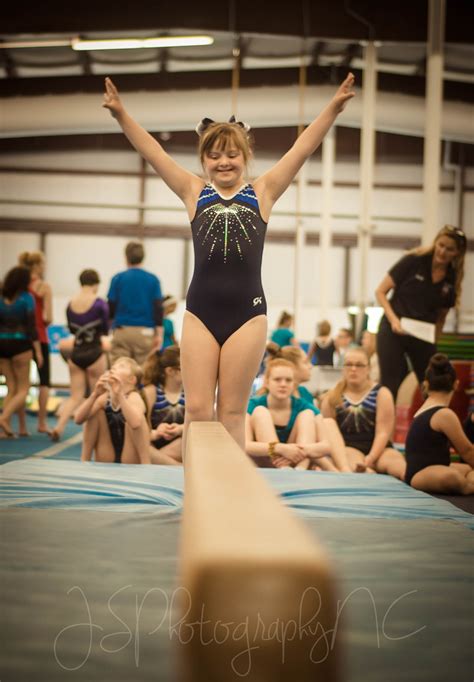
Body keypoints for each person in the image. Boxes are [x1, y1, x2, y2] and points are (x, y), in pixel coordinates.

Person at [103, 73, 355, 454]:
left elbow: (302, 149)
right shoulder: (193, 191)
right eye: (215, 155)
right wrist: (122, 115)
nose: (224, 162)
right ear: (203, 159)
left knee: (233, 413)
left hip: (248, 316)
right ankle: (195, 493)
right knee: (198, 410)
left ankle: (233, 495)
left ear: (245, 157)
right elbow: (154, 152)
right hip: (200, 313)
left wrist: (333, 108)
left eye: (232, 154)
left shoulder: (263, 192)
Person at [375, 225, 467, 400]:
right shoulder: (413, 260)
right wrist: (394, 320)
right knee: (390, 384)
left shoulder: (452, 277)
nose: (443, 251)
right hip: (394, 328)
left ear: (457, 253)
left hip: (422, 334)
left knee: (433, 385)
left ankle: (429, 423)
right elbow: (380, 292)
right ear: (435, 242)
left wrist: (435, 341)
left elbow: (441, 316)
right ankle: (384, 425)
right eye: (441, 245)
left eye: (449, 249)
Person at [321, 347, 406, 478]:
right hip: (349, 449)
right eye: (349, 364)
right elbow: (329, 436)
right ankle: (369, 477)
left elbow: (383, 432)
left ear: (368, 368)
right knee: (357, 467)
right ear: (343, 368)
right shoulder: (332, 397)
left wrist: (371, 458)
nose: (353, 369)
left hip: (380, 449)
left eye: (359, 365)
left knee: (399, 466)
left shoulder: (382, 394)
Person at [267, 343, 353, 471]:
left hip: (303, 450)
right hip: (278, 454)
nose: (311, 366)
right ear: (293, 367)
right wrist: (331, 469)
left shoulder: (304, 394)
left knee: (327, 423)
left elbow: (314, 438)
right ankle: (341, 473)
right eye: (306, 363)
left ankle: (345, 470)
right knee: (316, 420)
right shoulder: (268, 396)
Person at [246, 358, 337, 470]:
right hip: (266, 463)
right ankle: (284, 468)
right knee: (261, 412)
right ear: (267, 382)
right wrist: (280, 449)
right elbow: (245, 444)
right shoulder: (253, 404)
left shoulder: (304, 406)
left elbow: (326, 446)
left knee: (307, 415)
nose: (283, 384)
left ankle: (300, 470)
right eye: (277, 380)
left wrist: (298, 451)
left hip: (296, 462)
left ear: (294, 385)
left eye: (288, 380)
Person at [50, 269, 109, 441]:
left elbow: (71, 329)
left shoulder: (70, 304)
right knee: (96, 397)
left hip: (76, 354)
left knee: (75, 397)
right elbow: (105, 329)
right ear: (96, 284)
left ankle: (59, 427)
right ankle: (93, 434)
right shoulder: (99, 304)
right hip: (95, 354)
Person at [405, 353, 474, 494]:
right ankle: (469, 487)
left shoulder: (425, 408)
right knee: (452, 476)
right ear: (456, 384)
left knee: (466, 469)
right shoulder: (444, 414)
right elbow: (467, 451)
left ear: (426, 384)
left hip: (426, 471)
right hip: (421, 475)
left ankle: (468, 481)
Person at [75, 357, 151, 464]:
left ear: (131, 380)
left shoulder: (134, 397)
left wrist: (119, 395)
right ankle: (84, 460)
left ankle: (146, 464)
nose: (114, 367)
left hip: (130, 458)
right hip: (107, 455)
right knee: (93, 413)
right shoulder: (105, 398)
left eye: (121, 366)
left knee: (135, 418)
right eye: (114, 366)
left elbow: (135, 423)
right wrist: (95, 394)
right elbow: (78, 419)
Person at [0, 266, 43, 437]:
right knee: (23, 389)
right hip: (20, 345)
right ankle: (4, 417)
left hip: (2, 345)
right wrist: (38, 352)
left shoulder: (2, 298)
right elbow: (32, 328)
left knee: (11, 388)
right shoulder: (27, 298)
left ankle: (4, 430)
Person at [107, 241, 164, 366]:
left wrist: (111, 327)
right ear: (143, 257)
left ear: (126, 256)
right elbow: (158, 308)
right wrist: (159, 334)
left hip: (122, 330)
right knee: (144, 373)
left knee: (119, 370)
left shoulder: (117, 278)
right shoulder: (153, 280)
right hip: (145, 332)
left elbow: (111, 305)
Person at [17, 251, 53, 435]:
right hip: (40, 336)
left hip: (22, 338)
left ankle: (22, 426)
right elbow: (48, 317)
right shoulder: (43, 287)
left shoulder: (19, 287)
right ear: (38, 266)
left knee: (21, 385)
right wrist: (42, 321)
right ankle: (41, 422)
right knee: (44, 382)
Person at [143, 345, 184, 465]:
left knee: (192, 439)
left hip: (179, 448)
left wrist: (181, 429)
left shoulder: (191, 393)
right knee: (141, 445)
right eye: (186, 366)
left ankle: (164, 462)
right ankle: (178, 467)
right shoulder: (151, 392)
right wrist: (156, 433)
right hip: (152, 448)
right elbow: (139, 430)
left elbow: (204, 424)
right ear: (170, 371)